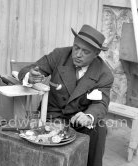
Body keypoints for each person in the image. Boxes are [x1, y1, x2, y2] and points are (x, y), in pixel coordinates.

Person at [18, 24, 114, 166]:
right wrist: (30, 76)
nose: (78, 54)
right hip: (52, 115)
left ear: (96, 54)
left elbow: (101, 103)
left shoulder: (104, 74)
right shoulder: (60, 55)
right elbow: (28, 69)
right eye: (76, 47)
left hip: (78, 119)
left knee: (99, 127)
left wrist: (88, 116)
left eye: (85, 51)